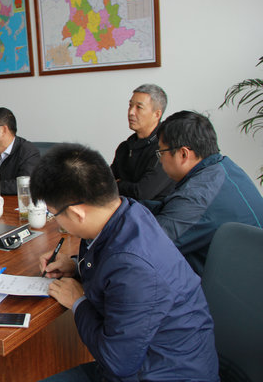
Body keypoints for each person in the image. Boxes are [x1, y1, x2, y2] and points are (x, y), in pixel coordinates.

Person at [31, 143, 218, 382]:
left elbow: (117, 362)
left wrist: (78, 301)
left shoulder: (134, 266)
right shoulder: (127, 211)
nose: (56, 221)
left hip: (161, 373)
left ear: (78, 213)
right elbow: (110, 259)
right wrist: (76, 265)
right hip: (147, 357)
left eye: (54, 214)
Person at [142, 110, 263, 275]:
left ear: (183, 154)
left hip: (230, 284)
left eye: (161, 152)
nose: (160, 160)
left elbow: (148, 247)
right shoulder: (222, 168)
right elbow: (172, 209)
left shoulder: (198, 195)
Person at [110, 84, 174, 200]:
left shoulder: (165, 148)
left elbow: (143, 193)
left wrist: (119, 184)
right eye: (130, 106)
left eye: (139, 107)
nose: (131, 112)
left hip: (152, 210)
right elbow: (104, 183)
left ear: (157, 114)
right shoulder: (125, 147)